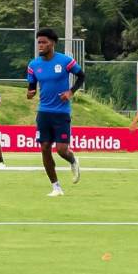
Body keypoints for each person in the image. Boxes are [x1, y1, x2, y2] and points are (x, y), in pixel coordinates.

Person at [26, 28, 86, 197]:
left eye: (44, 42)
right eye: (39, 42)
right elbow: (31, 88)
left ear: (52, 43)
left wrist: (71, 92)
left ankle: (72, 160)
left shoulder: (65, 61)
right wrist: (30, 93)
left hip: (61, 112)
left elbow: (81, 76)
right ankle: (56, 187)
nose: (40, 45)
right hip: (43, 112)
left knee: (61, 149)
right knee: (44, 148)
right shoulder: (33, 65)